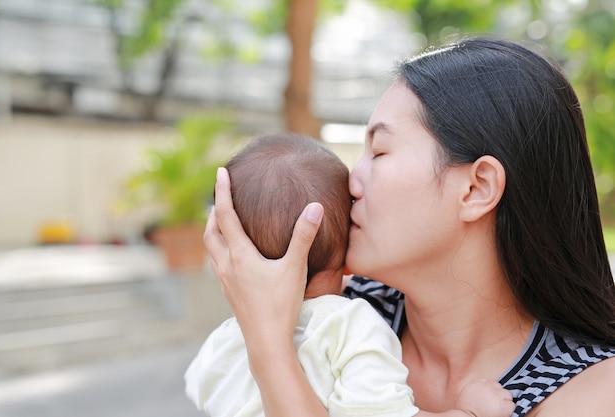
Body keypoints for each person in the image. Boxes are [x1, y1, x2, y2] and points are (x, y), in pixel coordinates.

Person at [204, 37, 615, 417]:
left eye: (379, 152)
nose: (350, 180)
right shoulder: (333, 313)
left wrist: (269, 348)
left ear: (476, 188)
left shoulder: (589, 393)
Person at [185, 133, 514, 417]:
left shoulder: (223, 342)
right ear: (348, 251)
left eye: (378, 152)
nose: (357, 176)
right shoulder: (350, 326)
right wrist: (468, 412)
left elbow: (203, 392)